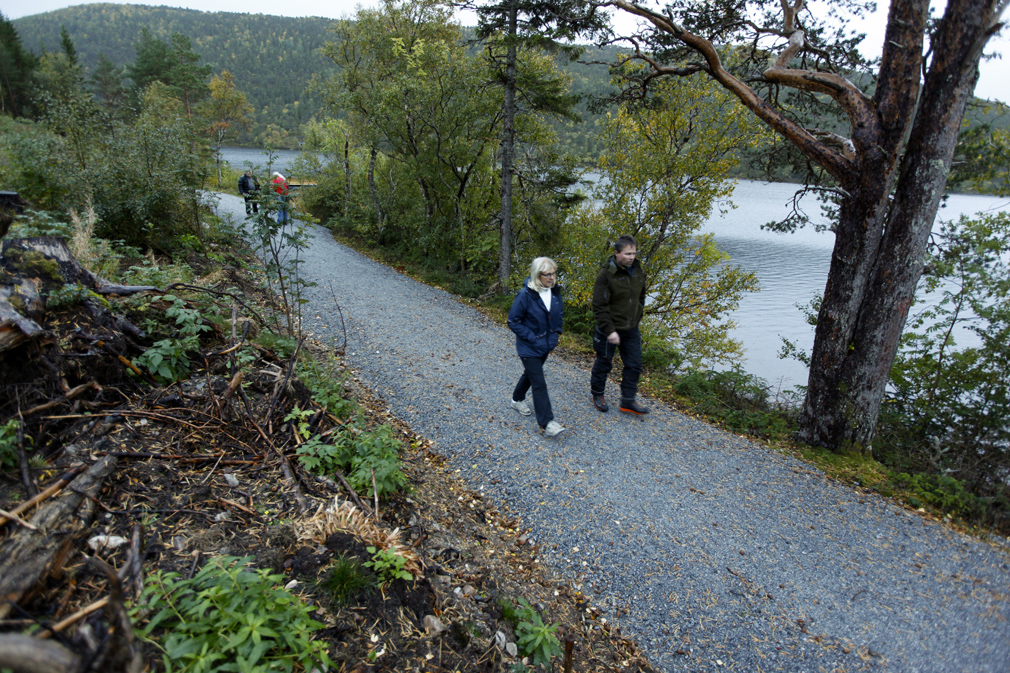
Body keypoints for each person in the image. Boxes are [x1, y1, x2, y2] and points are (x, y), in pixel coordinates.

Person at [590, 234, 650, 415]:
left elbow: (641, 296)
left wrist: (637, 315)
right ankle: (598, 394)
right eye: (627, 254)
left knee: (634, 364)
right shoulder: (606, 275)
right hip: (609, 330)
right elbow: (599, 306)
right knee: (604, 363)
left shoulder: (638, 271)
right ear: (617, 253)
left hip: (631, 328)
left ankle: (628, 401)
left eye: (633, 253)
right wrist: (610, 331)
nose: (632, 257)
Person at [508, 257, 565, 437]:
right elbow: (513, 321)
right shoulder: (526, 294)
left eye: (553, 273)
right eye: (547, 274)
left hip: (545, 345)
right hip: (529, 346)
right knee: (539, 382)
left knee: (531, 374)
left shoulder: (554, 293)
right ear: (537, 274)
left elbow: (558, 314)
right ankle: (547, 423)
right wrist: (532, 338)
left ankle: (516, 399)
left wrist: (556, 333)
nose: (551, 277)